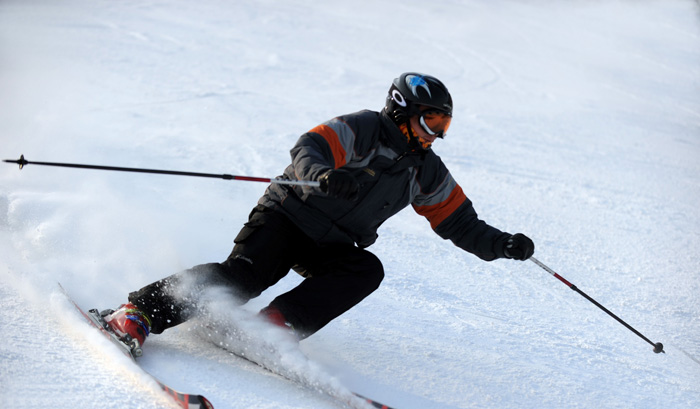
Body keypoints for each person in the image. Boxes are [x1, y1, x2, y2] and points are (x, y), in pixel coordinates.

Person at [105, 72, 535, 351]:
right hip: (288, 216)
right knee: (241, 279)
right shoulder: (363, 128)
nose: (436, 135)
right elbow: (309, 148)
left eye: (444, 126)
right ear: (403, 111)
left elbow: (458, 221)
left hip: (329, 243)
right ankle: (138, 313)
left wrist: (502, 244)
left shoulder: (424, 170)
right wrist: (325, 175)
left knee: (366, 269)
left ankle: (272, 327)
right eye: (431, 123)